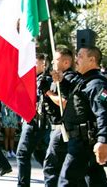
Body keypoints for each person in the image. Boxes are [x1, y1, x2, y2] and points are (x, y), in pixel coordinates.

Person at [59, 46, 107, 186]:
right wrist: (61, 81)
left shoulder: (97, 84)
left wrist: (103, 140)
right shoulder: (83, 81)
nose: (76, 59)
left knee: (66, 181)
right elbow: (75, 97)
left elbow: (103, 113)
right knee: (95, 179)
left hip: (84, 142)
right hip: (78, 140)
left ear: (92, 59)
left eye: (80, 56)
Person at [43, 47, 78, 186]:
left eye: (56, 59)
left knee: (51, 167)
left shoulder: (69, 78)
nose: (52, 62)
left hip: (62, 128)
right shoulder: (58, 78)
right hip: (56, 126)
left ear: (66, 62)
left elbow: (64, 102)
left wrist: (48, 93)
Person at [16, 53, 51, 187]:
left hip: (36, 121)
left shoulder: (44, 80)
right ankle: (56, 179)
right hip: (33, 121)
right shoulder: (33, 78)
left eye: (35, 63)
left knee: (22, 154)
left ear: (43, 64)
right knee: (39, 153)